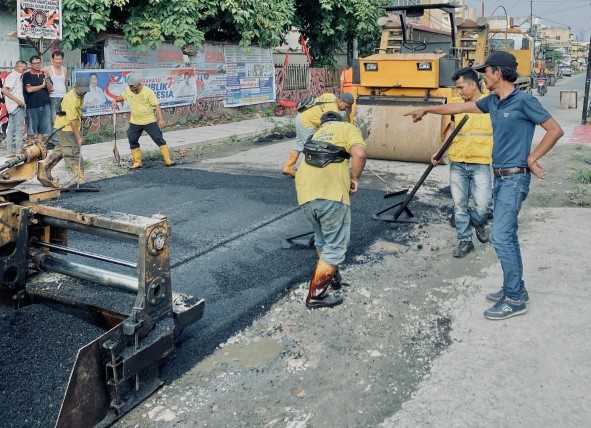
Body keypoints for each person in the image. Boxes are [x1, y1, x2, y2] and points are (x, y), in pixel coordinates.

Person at [405, 51, 564, 320]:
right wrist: (428, 109)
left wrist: (533, 157)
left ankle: (514, 298)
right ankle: (516, 290)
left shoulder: (524, 101)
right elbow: (457, 108)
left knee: (502, 237)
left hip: (515, 178)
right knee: (507, 236)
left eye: (486, 72)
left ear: (498, 73)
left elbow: (555, 130)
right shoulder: (493, 102)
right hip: (500, 177)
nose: (484, 77)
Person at [295, 111, 367, 309]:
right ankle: (316, 296)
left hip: (305, 193)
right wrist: (356, 178)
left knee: (322, 239)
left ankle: (332, 276)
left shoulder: (315, 134)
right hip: (330, 193)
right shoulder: (347, 128)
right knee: (335, 246)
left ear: (322, 124)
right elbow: (359, 154)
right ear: (339, 120)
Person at [432, 67, 493, 258]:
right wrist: (440, 151)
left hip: (481, 162)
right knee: (459, 206)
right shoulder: (455, 105)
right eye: (457, 88)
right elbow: (451, 129)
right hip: (457, 162)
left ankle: (478, 221)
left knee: (483, 206)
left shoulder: (491, 104)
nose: (459, 91)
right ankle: (465, 241)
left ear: (473, 84)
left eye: (461, 87)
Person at [282, 92, 353, 178]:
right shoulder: (332, 111)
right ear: (341, 101)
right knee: (314, 148)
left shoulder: (330, 95)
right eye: (346, 106)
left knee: (299, 144)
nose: (345, 109)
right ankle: (313, 172)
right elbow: (331, 129)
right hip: (307, 123)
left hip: (301, 117)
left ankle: (288, 167)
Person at [110, 76, 175, 168]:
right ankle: (137, 162)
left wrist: (161, 119)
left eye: (136, 90)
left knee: (158, 138)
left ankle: (168, 160)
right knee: (132, 139)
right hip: (135, 122)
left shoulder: (148, 92)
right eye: (132, 90)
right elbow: (123, 96)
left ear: (140, 85)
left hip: (149, 121)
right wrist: (115, 100)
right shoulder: (129, 90)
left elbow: (156, 105)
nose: (134, 92)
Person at [37, 77, 90, 188]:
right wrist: (78, 137)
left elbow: (73, 112)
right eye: (82, 90)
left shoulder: (79, 95)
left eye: (85, 90)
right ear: (76, 87)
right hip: (67, 129)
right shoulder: (71, 99)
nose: (84, 92)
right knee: (73, 152)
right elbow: (72, 121)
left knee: (60, 151)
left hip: (65, 126)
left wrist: (80, 115)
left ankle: (44, 169)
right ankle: (80, 178)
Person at [22, 55, 52, 145]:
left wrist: (47, 79)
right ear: (31, 64)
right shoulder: (27, 75)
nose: (37, 65)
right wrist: (42, 86)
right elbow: (29, 89)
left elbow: (50, 88)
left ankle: (39, 146)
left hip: (45, 103)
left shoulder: (44, 74)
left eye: (38, 62)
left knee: (42, 127)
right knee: (31, 127)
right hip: (32, 104)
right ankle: (30, 146)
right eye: (35, 63)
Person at [1, 61, 27, 157]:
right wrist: (17, 101)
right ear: (17, 67)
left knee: (11, 129)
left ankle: (9, 151)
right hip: (16, 106)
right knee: (19, 129)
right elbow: (4, 89)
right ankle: (18, 150)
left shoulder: (16, 76)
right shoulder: (13, 76)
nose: (24, 70)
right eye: (23, 68)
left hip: (12, 106)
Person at [43, 50, 68, 145]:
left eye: (60, 59)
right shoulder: (48, 69)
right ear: (52, 59)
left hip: (63, 98)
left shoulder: (64, 69)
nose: (58, 61)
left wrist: (67, 95)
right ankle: (55, 141)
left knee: (63, 118)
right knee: (54, 119)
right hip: (53, 97)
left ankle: (62, 139)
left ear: (62, 59)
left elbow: (65, 83)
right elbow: (38, 73)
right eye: (56, 59)